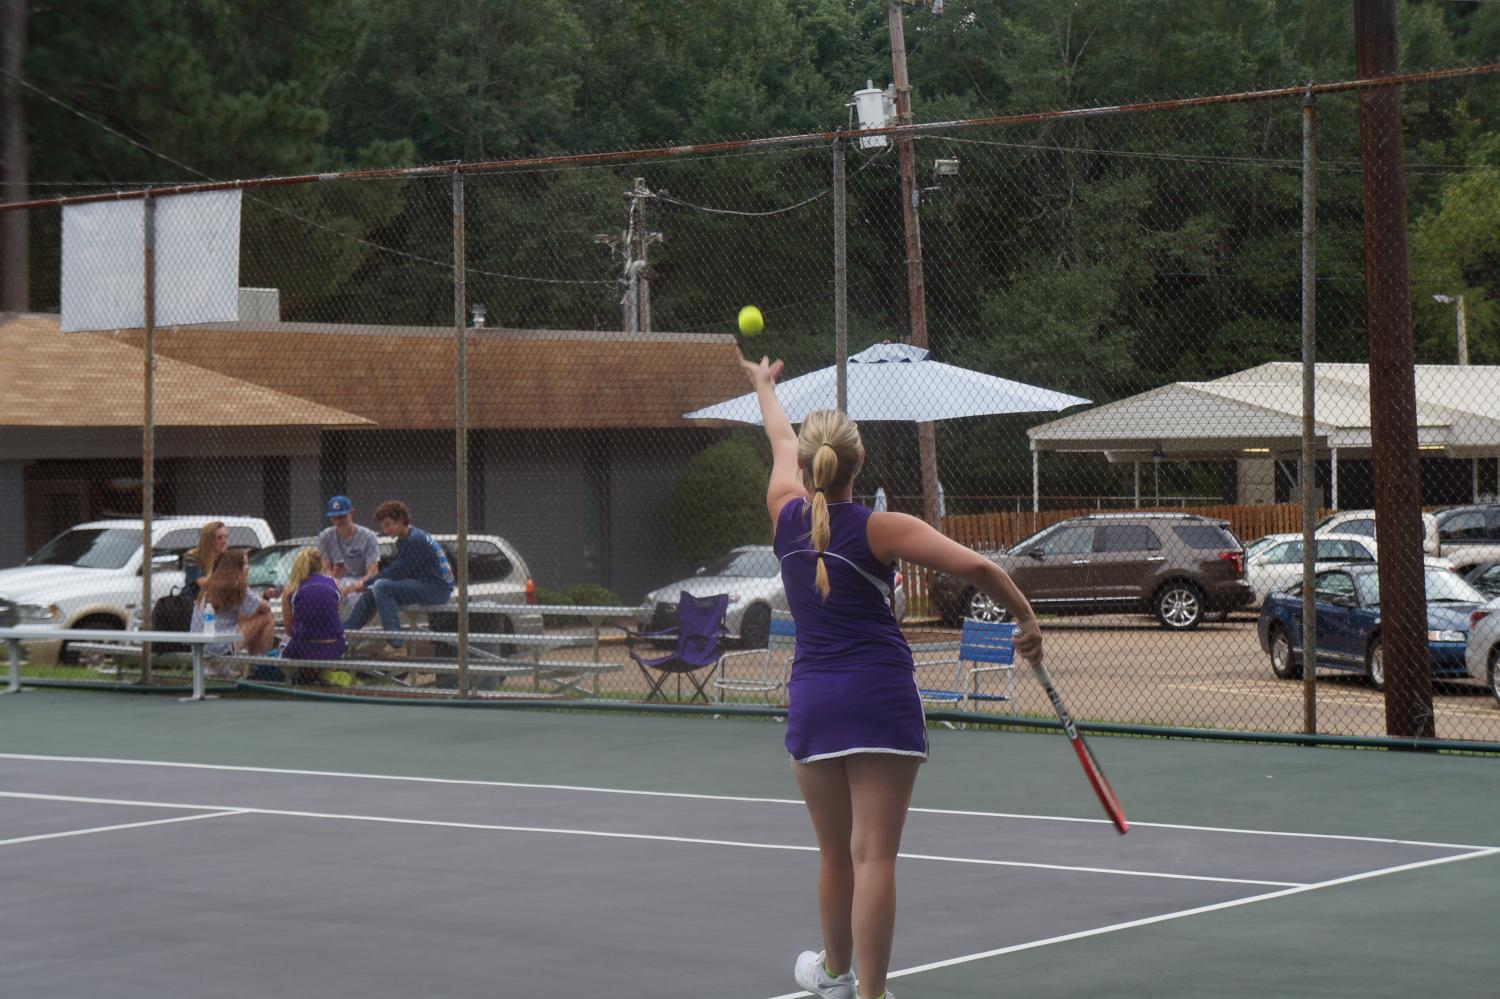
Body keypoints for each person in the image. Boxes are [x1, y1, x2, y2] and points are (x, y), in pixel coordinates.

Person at [740, 355, 1043, 999]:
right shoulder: (885, 528)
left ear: (811, 467)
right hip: (880, 698)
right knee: (873, 856)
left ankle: (833, 974)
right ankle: (871, 994)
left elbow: (780, 441)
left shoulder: (783, 513)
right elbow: (982, 570)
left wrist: (764, 386)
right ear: (859, 464)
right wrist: (1028, 622)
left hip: (816, 702)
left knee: (833, 855)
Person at [342, 500, 453, 658]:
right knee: (373, 592)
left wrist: (363, 583)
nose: (385, 530)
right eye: (383, 526)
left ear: (401, 520)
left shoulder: (415, 539)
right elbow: (400, 571)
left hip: (436, 589)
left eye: (388, 524)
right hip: (426, 584)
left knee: (381, 586)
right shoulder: (405, 539)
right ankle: (344, 634)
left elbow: (396, 572)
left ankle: (396, 645)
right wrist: (368, 586)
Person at [191, 549, 276, 674]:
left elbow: (246, 611)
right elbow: (265, 608)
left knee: (249, 616)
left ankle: (254, 665)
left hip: (199, 648)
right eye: (246, 563)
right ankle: (261, 666)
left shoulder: (212, 584)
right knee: (267, 617)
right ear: (238, 567)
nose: (248, 567)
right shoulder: (237, 586)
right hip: (218, 646)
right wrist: (245, 580)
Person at [280, 547, 347, 663]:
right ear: (320, 564)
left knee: (282, 645)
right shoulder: (335, 585)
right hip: (335, 648)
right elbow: (334, 616)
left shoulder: (291, 588)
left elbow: (288, 629)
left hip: (303, 649)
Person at [316, 495, 380, 606]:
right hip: (336, 581)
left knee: (357, 598)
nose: (338, 521)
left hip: (361, 582)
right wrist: (334, 575)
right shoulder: (325, 536)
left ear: (351, 513)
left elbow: (372, 573)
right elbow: (324, 570)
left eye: (342, 516)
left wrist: (350, 588)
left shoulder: (368, 536)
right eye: (334, 517)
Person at [182, 521, 227, 601]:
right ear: (209, 540)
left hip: (219, 602)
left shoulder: (226, 557)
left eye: (226, 537)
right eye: (219, 538)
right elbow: (205, 585)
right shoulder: (192, 556)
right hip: (194, 602)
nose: (224, 541)